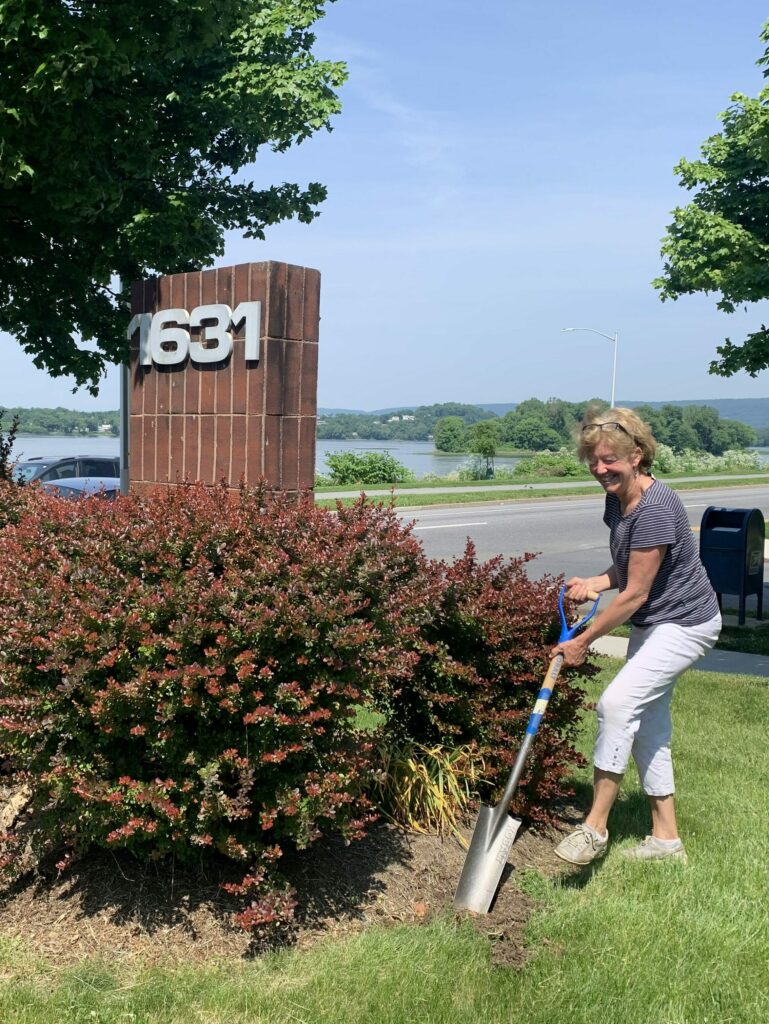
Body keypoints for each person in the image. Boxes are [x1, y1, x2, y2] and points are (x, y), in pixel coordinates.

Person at [552, 407, 721, 865]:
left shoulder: (656, 509)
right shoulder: (617, 499)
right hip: (656, 620)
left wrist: (582, 641)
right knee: (649, 725)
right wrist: (593, 583)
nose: (600, 468)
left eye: (610, 459)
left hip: (686, 624)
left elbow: (635, 594)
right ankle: (667, 842)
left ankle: (594, 828)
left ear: (638, 455)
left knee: (616, 705)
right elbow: (628, 570)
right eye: (593, 460)